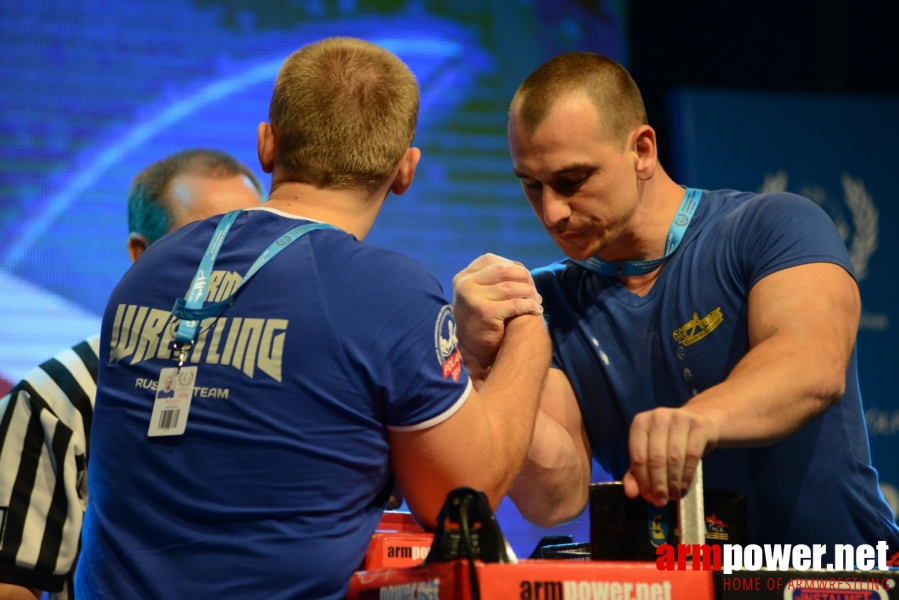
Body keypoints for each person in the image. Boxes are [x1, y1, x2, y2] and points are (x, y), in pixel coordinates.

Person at [75, 38, 550, 599]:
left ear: (266, 145)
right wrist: (528, 331)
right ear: (405, 170)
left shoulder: (146, 270)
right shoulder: (388, 293)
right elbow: (460, 498)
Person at [452, 51, 899, 553]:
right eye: (532, 186)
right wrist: (483, 368)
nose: (552, 212)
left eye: (571, 181)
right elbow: (556, 497)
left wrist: (698, 418)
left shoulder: (772, 225)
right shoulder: (545, 302)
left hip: (837, 581)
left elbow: (812, 364)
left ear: (642, 150)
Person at [0, 148, 264, 600]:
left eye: (254, 245)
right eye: (211, 247)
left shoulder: (292, 383)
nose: (240, 270)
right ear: (142, 255)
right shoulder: (58, 398)